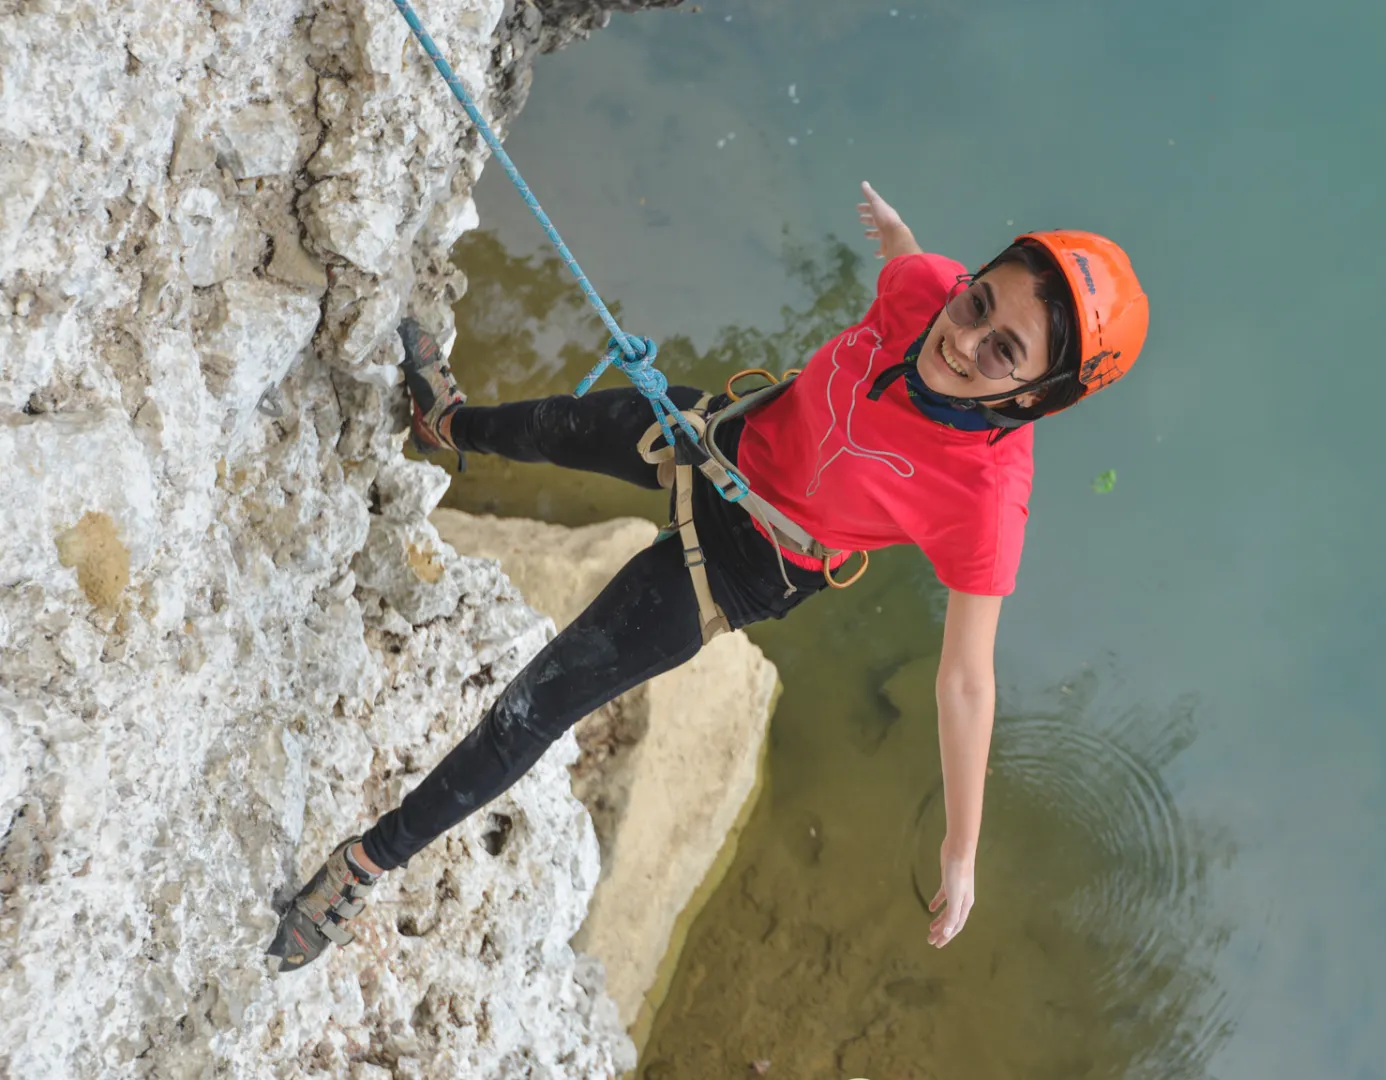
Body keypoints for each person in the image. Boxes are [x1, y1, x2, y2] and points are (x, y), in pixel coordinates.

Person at [266, 182, 1150, 972]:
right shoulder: (928, 295)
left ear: (1032, 400)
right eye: (978, 299)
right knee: (558, 427)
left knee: (537, 704)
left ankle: (364, 866)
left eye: (1003, 352)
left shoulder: (987, 498)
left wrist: (961, 851)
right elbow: (916, 264)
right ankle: (446, 427)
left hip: (743, 564)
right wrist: (894, 231)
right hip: (724, 435)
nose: (963, 338)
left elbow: (964, 680)